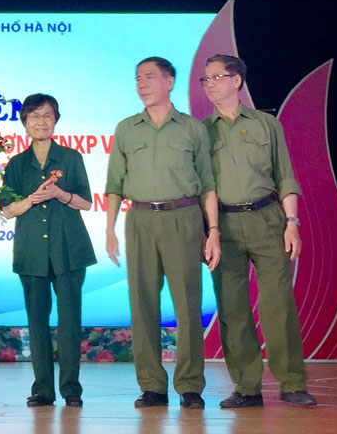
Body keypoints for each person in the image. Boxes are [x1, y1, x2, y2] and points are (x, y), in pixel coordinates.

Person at [200, 54, 316, 407]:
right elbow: (203, 187)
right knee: (232, 308)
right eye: (205, 80)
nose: (209, 85)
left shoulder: (267, 124)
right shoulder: (201, 131)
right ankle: (247, 387)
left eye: (216, 77)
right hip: (225, 225)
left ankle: (292, 382)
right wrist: (211, 231)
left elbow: (285, 176)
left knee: (278, 304)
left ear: (236, 80)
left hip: (268, 219)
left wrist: (292, 223)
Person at [105, 57, 220, 409]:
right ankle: (152, 386)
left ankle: (190, 386)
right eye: (137, 78)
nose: (141, 84)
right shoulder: (127, 128)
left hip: (183, 218)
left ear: (169, 82)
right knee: (142, 305)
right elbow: (114, 184)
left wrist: (213, 230)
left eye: (149, 77)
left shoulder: (192, 129)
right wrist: (109, 230)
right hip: (140, 219)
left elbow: (207, 184)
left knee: (187, 304)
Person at [0, 94, 97, 408]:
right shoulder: (16, 164)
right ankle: (42, 389)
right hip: (31, 251)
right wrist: (32, 199)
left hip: (69, 249)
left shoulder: (70, 158)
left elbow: (86, 202)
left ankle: (71, 389)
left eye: (47, 115)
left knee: (70, 321)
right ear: (24, 122)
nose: (41, 122)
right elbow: (7, 210)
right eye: (34, 116)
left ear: (56, 120)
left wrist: (59, 194)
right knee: (37, 322)